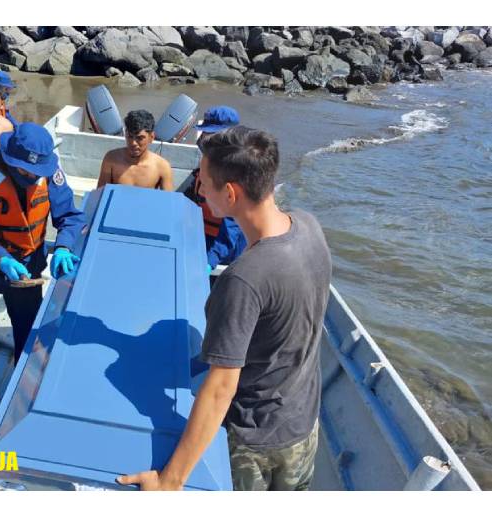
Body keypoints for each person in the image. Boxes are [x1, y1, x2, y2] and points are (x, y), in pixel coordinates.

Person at [117, 126, 332, 491]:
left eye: (203, 182)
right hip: (303, 423)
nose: (199, 190)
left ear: (230, 193)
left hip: (254, 441)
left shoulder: (243, 279)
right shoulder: (309, 226)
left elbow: (220, 389)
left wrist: (169, 481)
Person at [0, 123, 86, 410]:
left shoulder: (50, 173)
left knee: (29, 338)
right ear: (10, 160)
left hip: (26, 268)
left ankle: (22, 397)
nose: (33, 177)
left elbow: (71, 217)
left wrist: (63, 246)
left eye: (37, 172)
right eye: (26, 172)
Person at [181, 106, 247, 272]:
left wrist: (211, 261)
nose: (206, 140)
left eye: (212, 135)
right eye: (205, 133)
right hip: (202, 236)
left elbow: (232, 227)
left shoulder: (238, 175)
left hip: (226, 248)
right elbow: (191, 197)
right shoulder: (207, 163)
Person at [97, 110, 173, 191]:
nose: (133, 143)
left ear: (151, 137)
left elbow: (168, 198)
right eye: (130, 136)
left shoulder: (162, 167)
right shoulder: (111, 160)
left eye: (140, 138)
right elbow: (100, 194)